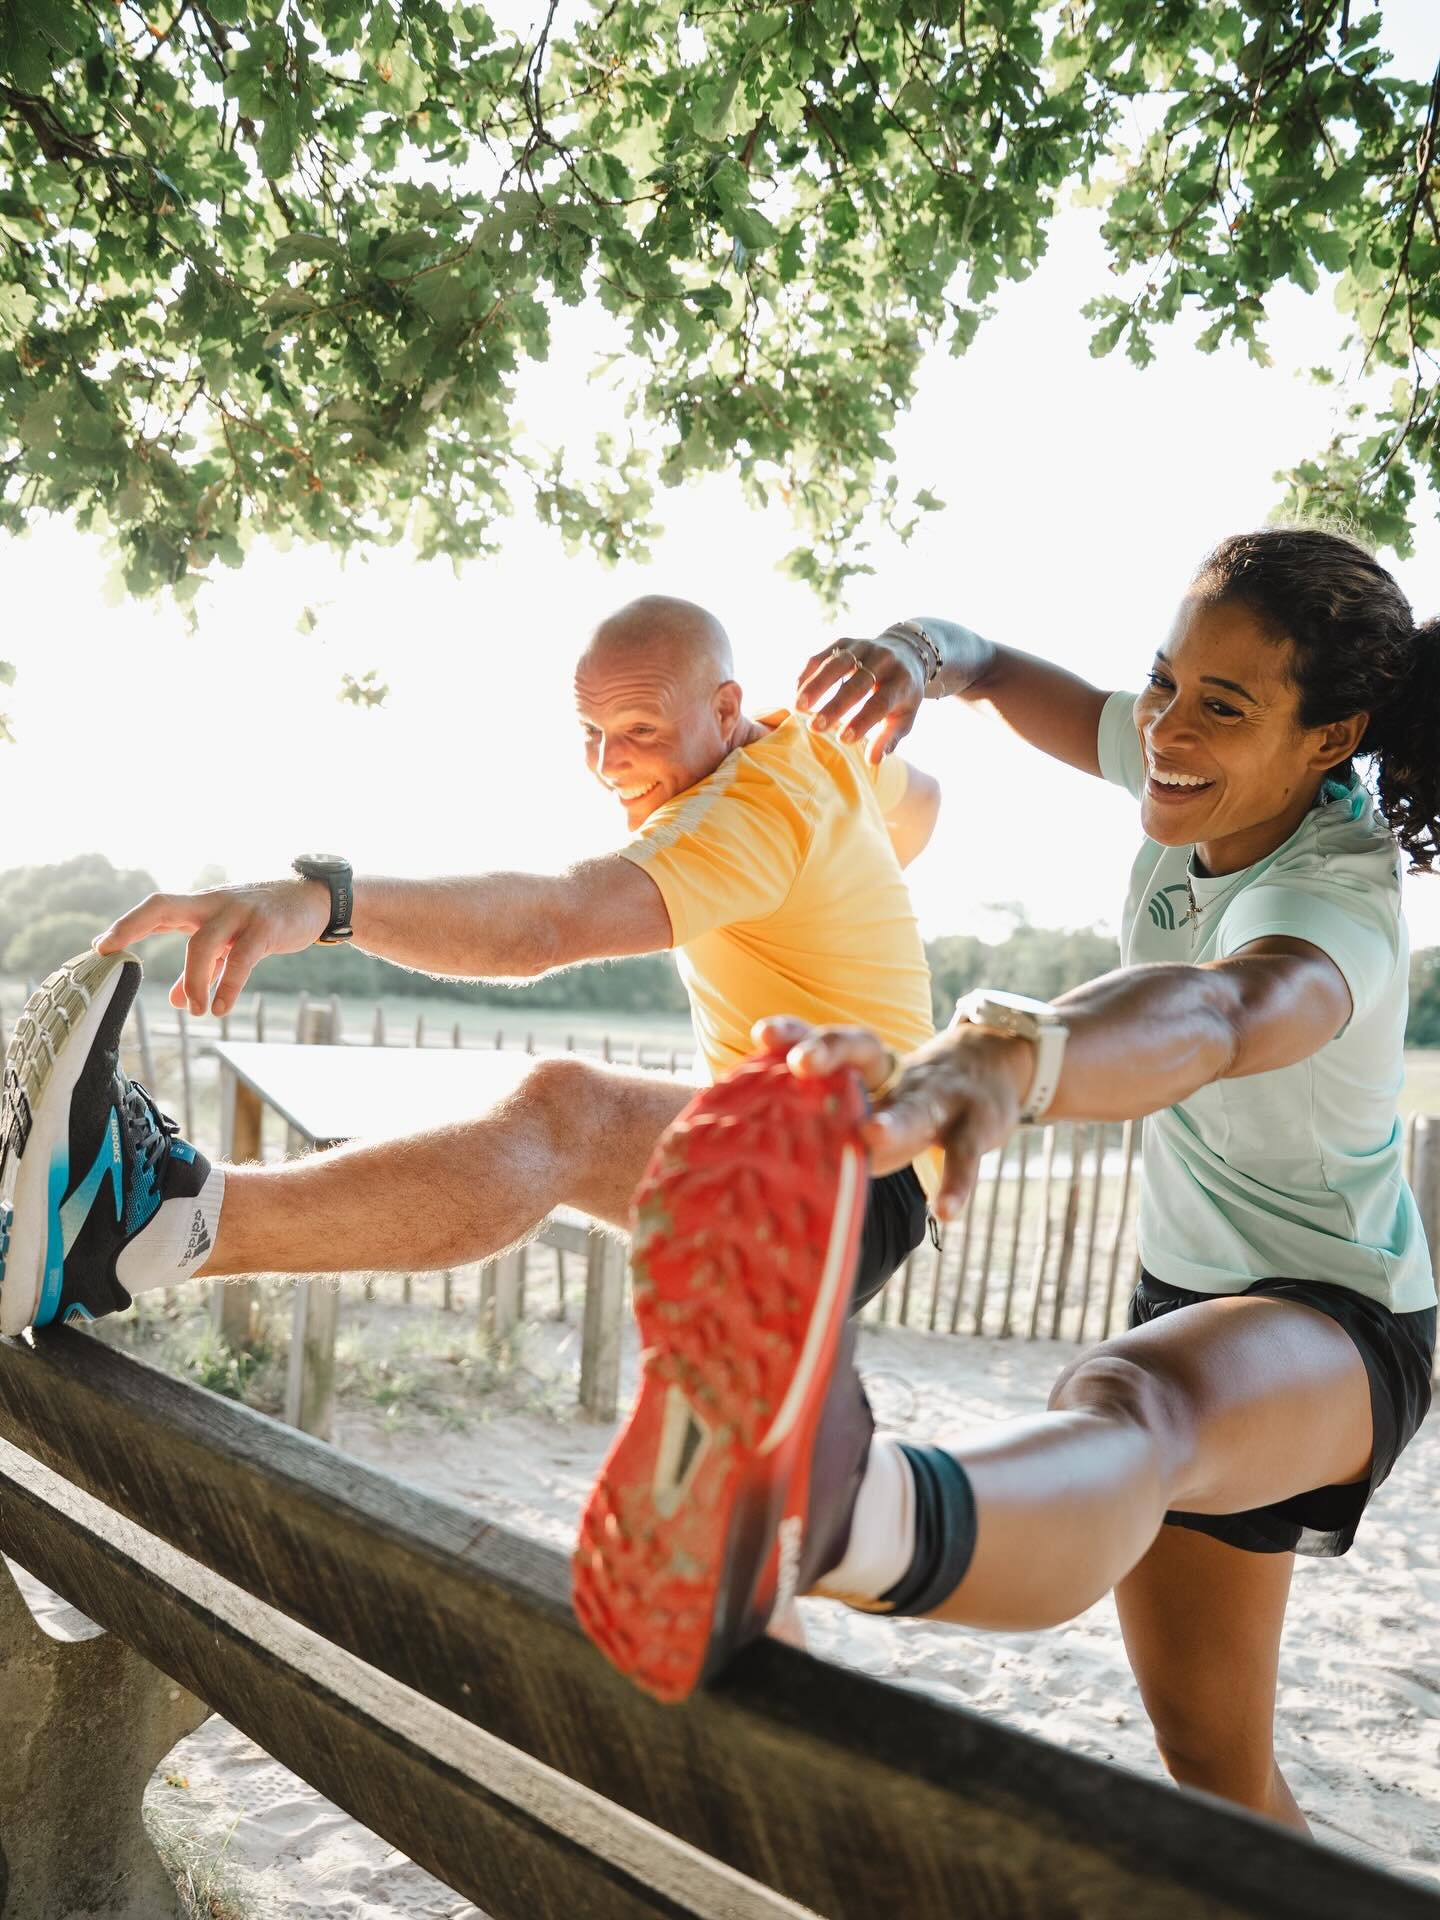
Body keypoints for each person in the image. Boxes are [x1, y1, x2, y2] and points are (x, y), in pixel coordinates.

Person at [572, 527, 1438, 1832]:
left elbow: (1219, 1012)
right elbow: (1018, 680)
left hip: (1342, 1313)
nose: (1164, 728)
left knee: (1129, 1397)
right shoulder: (1199, 768)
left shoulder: (1335, 898)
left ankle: (833, 1510)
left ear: (1332, 740)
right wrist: (927, 657)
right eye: (1162, 681)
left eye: (1220, 703)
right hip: (1190, 1290)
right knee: (1217, 1771)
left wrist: (1018, 1053)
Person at [0, 595, 942, 1335]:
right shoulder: (818, 750)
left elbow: (548, 925)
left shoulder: (749, 811)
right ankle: (97, 1239)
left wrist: (325, 902)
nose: (610, 764)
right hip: (841, 1157)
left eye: (641, 732)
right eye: (591, 731)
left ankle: (159, 1224)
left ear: (725, 707)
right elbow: (924, 805)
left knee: (568, 1113)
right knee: (573, 1112)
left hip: (854, 1176)